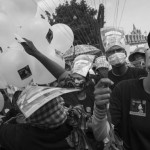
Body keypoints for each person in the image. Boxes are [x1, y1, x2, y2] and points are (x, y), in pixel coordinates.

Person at [92, 48, 150, 150]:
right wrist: (100, 111)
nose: (116, 54)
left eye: (118, 50)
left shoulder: (138, 72)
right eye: (111, 51)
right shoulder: (124, 88)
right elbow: (102, 134)